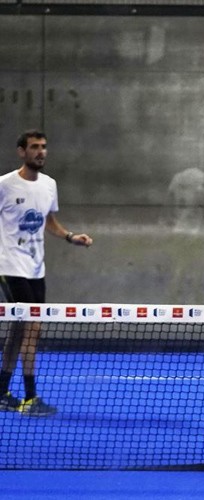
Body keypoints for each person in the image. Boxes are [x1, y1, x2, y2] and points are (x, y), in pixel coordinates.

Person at [0, 130, 93, 416]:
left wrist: (69, 236)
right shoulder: (4, 184)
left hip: (36, 268)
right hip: (9, 265)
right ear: (21, 151)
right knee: (33, 327)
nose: (41, 152)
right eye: (34, 147)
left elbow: (48, 220)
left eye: (43, 147)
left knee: (19, 329)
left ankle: (1, 391)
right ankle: (30, 397)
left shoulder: (49, 185)